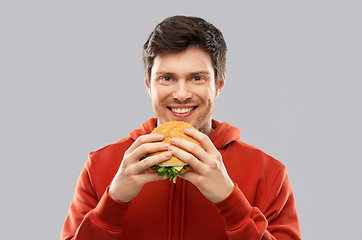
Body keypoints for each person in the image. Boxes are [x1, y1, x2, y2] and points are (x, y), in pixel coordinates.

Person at [61, 15, 301, 240]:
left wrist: (230, 201)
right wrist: (113, 202)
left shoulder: (269, 173)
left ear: (219, 84)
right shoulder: (99, 166)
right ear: (148, 84)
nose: (182, 94)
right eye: (167, 78)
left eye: (197, 78)